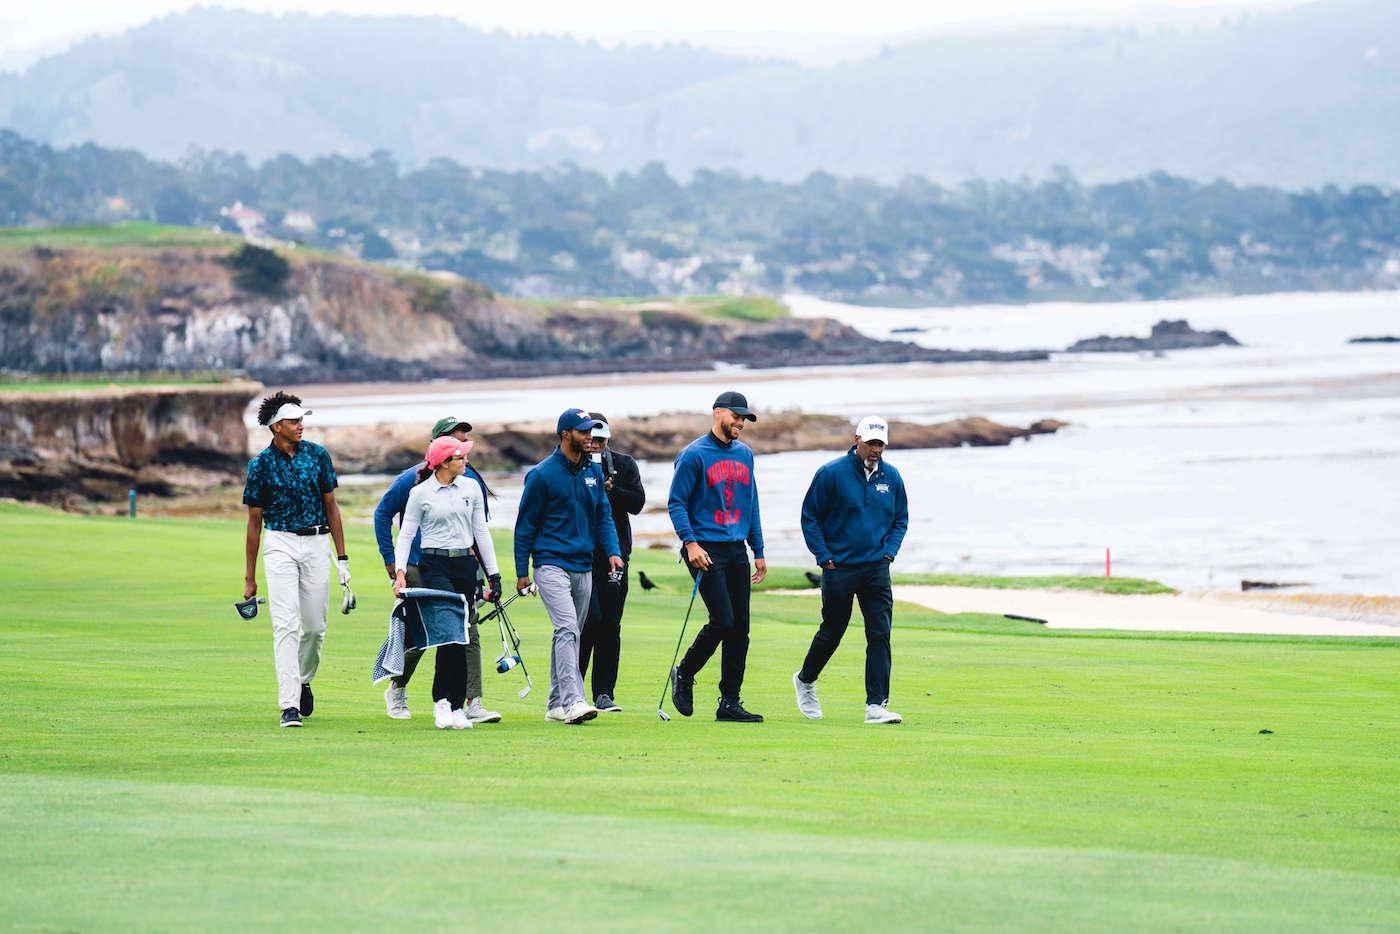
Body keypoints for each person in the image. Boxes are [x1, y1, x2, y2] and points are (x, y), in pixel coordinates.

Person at [373, 416, 499, 723]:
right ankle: (402, 687)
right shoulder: (411, 482)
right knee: (426, 633)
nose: (463, 450)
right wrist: (395, 564)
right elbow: (384, 516)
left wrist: (490, 573)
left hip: (462, 564)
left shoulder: (470, 481)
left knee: (467, 630)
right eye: (455, 442)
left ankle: (470, 701)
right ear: (439, 449)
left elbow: (479, 531)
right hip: (422, 565)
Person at [241, 391, 350, 728]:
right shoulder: (260, 465)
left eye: (302, 420)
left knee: (315, 627)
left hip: (317, 543)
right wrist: (249, 576)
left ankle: (303, 681)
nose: (300, 425)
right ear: (276, 427)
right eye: (293, 421)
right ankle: (288, 704)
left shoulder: (318, 456)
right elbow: (254, 521)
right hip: (280, 543)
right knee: (286, 624)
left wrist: (342, 558)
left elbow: (332, 506)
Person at [793, 416, 908, 725]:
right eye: (870, 442)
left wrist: (889, 553)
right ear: (857, 439)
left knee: (880, 634)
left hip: (876, 569)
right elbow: (810, 517)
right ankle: (805, 679)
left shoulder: (891, 477)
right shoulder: (831, 474)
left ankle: (876, 706)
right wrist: (824, 557)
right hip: (839, 567)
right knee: (832, 632)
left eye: (880, 444)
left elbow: (900, 519)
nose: (875, 449)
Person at [514, 408, 623, 725]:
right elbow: (525, 527)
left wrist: (614, 551)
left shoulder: (593, 472)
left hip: (584, 565)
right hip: (550, 563)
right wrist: (522, 571)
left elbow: (603, 515)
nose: (590, 436)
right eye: (583, 431)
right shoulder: (542, 475)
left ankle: (554, 703)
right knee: (566, 629)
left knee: (570, 634)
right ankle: (574, 700)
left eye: (592, 430)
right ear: (566, 434)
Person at [667, 391, 767, 723]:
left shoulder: (745, 454)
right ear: (718, 413)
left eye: (744, 419)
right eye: (735, 416)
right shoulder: (693, 455)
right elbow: (677, 503)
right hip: (704, 548)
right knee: (723, 620)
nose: (740, 423)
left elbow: (750, 504)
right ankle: (684, 671)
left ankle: (729, 703)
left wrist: (759, 550)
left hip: (736, 547)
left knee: (741, 629)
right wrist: (691, 544)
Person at [579, 413, 645, 713]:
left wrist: (611, 489)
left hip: (617, 554)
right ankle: (574, 689)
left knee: (610, 624)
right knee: (586, 621)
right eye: (589, 438)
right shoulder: (572, 466)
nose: (593, 444)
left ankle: (604, 693)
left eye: (600, 438)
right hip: (581, 556)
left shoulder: (624, 464)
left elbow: (637, 503)